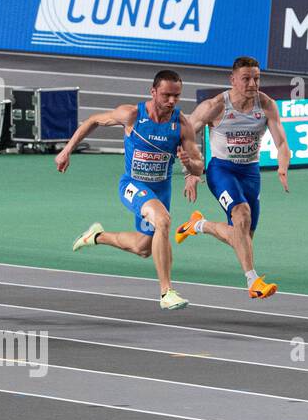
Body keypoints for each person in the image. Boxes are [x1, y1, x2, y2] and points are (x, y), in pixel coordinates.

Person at [57, 70, 204, 310]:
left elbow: (198, 167)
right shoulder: (132, 114)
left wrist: (189, 164)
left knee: (143, 248)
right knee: (163, 221)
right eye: (166, 95)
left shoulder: (182, 124)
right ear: (153, 92)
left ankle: (96, 236)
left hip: (160, 190)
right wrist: (66, 150)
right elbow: (94, 120)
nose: (172, 101)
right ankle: (166, 292)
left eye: (177, 96)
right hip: (133, 186)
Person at [176, 57, 290, 299]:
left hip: (250, 172)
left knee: (243, 238)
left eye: (256, 78)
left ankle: (198, 225)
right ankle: (253, 281)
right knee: (241, 214)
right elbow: (186, 135)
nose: (252, 84)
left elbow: (282, 143)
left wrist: (282, 166)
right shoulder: (216, 106)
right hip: (221, 170)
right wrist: (192, 173)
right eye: (246, 78)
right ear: (233, 80)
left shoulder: (266, 105)